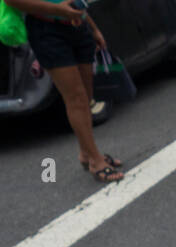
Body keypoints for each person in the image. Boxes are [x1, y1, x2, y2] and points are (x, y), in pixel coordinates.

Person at [9, 0, 123, 183]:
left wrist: (93, 28)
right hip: (47, 31)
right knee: (76, 98)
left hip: (78, 24)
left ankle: (86, 154)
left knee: (86, 96)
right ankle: (96, 160)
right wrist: (58, 10)